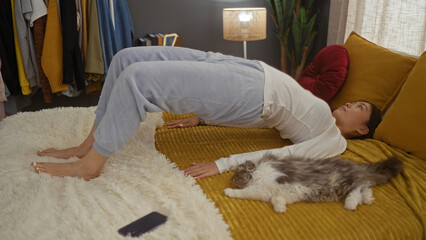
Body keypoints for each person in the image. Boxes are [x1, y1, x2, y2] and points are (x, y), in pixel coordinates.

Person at [31, 46, 382, 180]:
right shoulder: (319, 117)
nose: (351, 104)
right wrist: (205, 114)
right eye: (355, 100)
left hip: (252, 91)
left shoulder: (334, 143)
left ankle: (93, 163)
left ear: (363, 130)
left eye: (360, 108)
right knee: (126, 58)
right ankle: (87, 143)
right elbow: (276, 122)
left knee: (138, 79)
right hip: (250, 70)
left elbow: (287, 154)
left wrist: (224, 163)